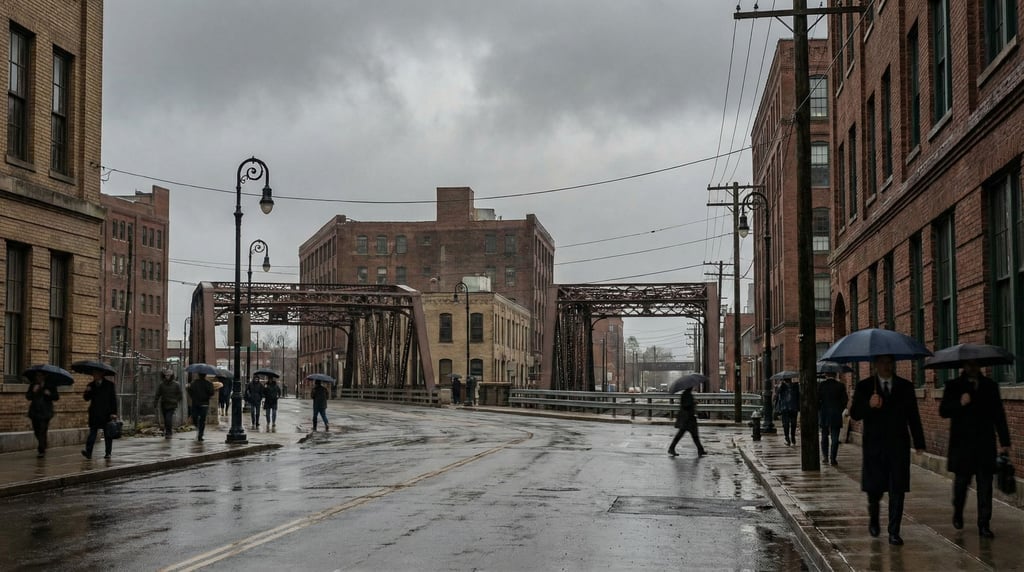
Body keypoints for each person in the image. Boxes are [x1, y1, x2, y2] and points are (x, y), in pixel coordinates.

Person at [850, 354, 925, 546]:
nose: (886, 366)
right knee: (874, 489)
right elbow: (855, 414)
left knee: (897, 489)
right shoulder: (865, 386)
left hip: (898, 445)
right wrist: (869, 405)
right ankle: (874, 518)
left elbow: (913, 416)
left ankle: (894, 531)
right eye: (882, 362)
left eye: (889, 362)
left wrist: (919, 442)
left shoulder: (905, 387)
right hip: (874, 446)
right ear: (875, 365)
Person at [939, 360, 1011, 538]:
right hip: (962, 446)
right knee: (961, 485)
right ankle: (958, 511)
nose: (972, 368)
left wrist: (1005, 441)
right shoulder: (954, 386)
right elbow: (943, 411)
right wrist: (960, 403)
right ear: (964, 366)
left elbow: (998, 415)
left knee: (985, 486)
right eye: (969, 364)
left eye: (975, 364)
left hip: (985, 445)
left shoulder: (990, 386)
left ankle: (984, 523)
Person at [82, 370, 118, 460]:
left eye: (96, 374)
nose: (94, 375)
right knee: (92, 434)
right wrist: (87, 392)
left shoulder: (109, 385)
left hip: (106, 413)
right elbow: (86, 398)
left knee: (107, 434)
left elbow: (113, 400)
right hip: (94, 413)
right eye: (93, 374)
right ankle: (88, 452)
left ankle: (108, 452)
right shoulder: (91, 385)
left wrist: (114, 413)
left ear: (101, 374)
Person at [25, 372, 60, 457]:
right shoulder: (33, 385)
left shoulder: (50, 385)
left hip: (46, 412)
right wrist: (33, 391)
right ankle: (43, 443)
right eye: (37, 376)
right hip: (35, 412)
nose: (38, 378)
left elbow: (56, 397)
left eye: (40, 376)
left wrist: (49, 394)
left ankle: (41, 450)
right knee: (36, 431)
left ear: (44, 376)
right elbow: (28, 396)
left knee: (42, 430)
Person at [818, 373, 849, 466]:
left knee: (824, 436)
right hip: (836, 414)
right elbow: (845, 400)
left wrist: (821, 409)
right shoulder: (840, 386)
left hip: (824, 414)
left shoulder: (821, 385)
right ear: (835, 375)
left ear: (826, 375)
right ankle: (833, 458)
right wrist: (839, 409)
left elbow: (817, 399)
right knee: (835, 438)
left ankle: (825, 457)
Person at [668, 387, 707, 457]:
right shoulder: (686, 394)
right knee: (687, 435)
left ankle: (700, 450)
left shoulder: (687, 394)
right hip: (687, 418)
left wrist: (693, 402)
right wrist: (693, 402)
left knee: (693, 435)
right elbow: (686, 405)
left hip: (688, 418)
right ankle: (671, 448)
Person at [154, 369, 183, 439]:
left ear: (172, 376)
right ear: (165, 376)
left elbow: (180, 394)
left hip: (172, 404)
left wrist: (176, 400)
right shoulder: (162, 384)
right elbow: (158, 394)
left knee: (168, 418)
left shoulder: (176, 385)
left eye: (169, 375)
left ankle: (168, 432)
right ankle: (167, 430)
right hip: (164, 404)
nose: (168, 376)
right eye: (166, 375)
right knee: (165, 419)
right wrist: (155, 402)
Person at [187, 373, 215, 441]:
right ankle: (200, 433)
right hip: (204, 404)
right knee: (202, 420)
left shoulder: (194, 383)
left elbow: (190, 391)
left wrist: (193, 397)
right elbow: (212, 393)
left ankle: (199, 430)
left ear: (198, 375)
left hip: (196, 403)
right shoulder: (208, 383)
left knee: (195, 417)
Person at [775, 378, 800, 446]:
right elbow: (799, 396)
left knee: (786, 424)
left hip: (785, 407)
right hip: (793, 407)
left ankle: (788, 438)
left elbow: (776, 396)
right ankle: (792, 438)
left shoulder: (783, 386)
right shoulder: (795, 386)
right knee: (793, 424)